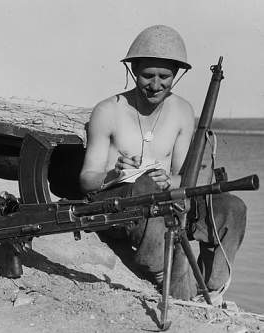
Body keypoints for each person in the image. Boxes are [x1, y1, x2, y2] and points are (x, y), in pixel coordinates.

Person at [79, 25, 246, 301]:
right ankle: (166, 276)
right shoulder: (108, 111)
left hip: (166, 205)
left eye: (164, 76)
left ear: (176, 75)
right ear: (134, 71)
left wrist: (171, 180)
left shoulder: (182, 111)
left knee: (232, 208)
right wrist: (113, 173)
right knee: (146, 186)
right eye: (147, 75)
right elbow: (87, 180)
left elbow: (184, 179)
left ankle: (210, 285)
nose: (155, 85)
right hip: (123, 209)